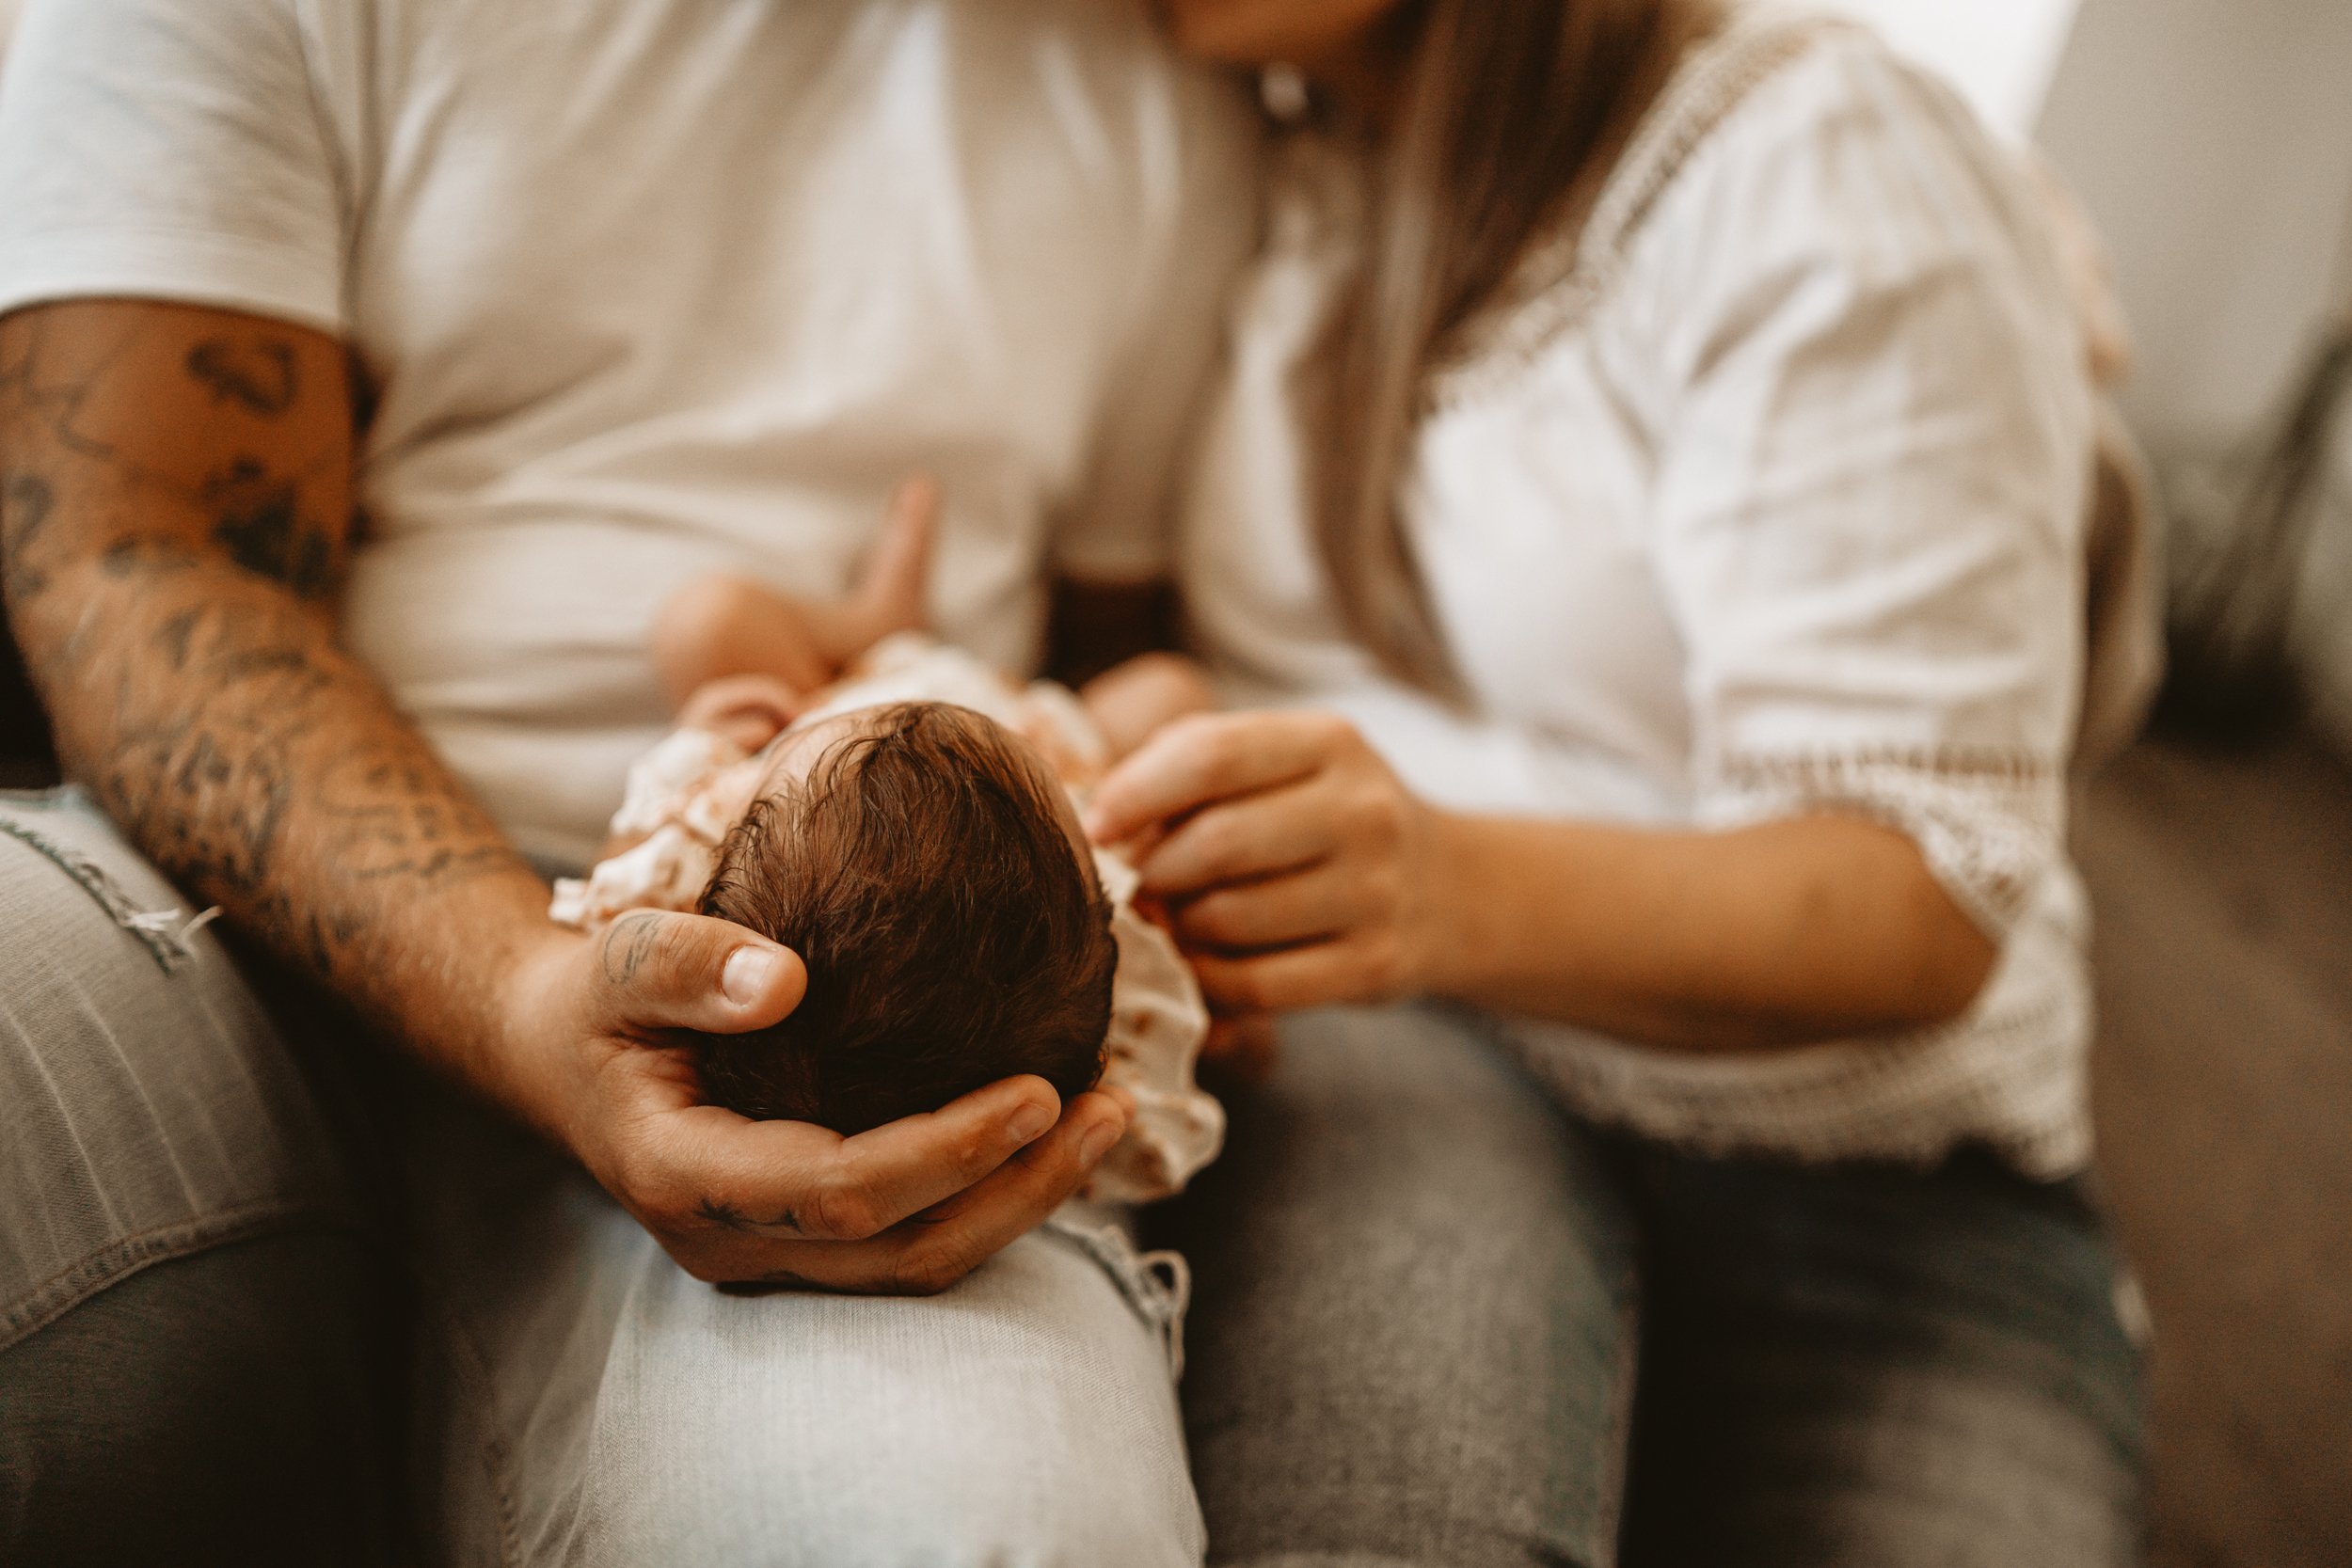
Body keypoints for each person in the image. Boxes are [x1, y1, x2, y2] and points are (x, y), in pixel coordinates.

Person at [0, 0, 1255, 1562]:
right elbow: (136, 546)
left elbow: (1120, 657)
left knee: (971, 1531)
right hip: (210, 926)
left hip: (848, 1030)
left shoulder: (1167, 76)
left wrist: (1156, 864)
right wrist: (528, 995)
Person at [1091, 2, 2148, 1563]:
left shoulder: (1813, 157)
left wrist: (1433, 882)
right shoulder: (1271, 156)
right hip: (1409, 1059)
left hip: (1877, 1177)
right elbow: (1143, 616)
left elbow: (1924, 887)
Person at [558, 489, 1224, 1198]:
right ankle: (898, 636)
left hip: (826, 693)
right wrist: (1210, 988)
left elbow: (606, 904)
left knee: (709, 621)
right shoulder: (1104, 951)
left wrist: (697, 744)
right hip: (1057, 749)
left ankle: (872, 632)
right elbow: (1172, 1073)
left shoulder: (701, 855)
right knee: (1171, 694)